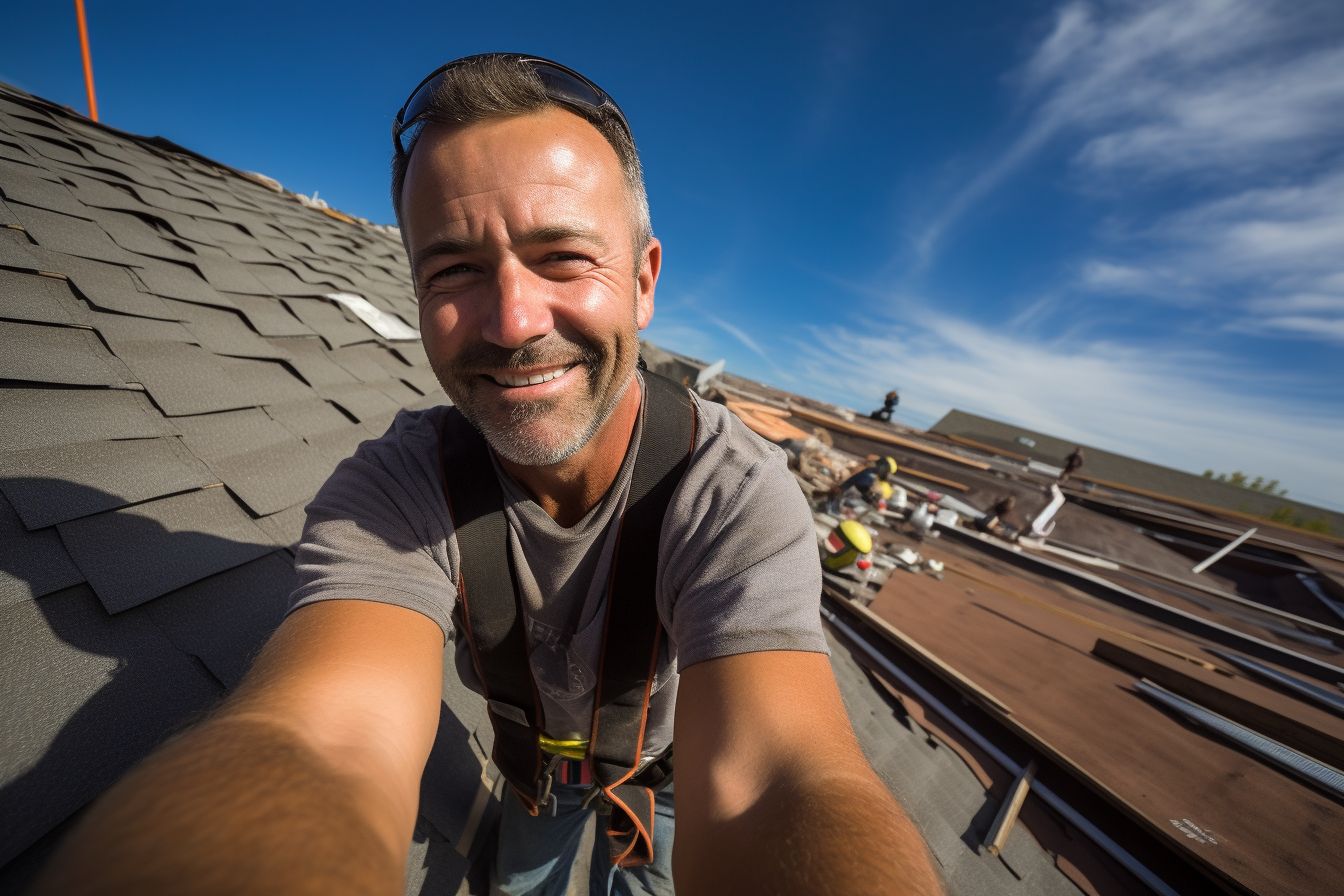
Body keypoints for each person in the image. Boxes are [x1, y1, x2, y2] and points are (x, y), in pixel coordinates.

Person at [34, 54, 942, 896]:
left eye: (563, 257)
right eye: (456, 270)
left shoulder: (732, 496)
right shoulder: (394, 493)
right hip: (534, 778)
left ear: (643, 279)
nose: (511, 321)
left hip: (661, 785)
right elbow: (328, 740)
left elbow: (775, 783)